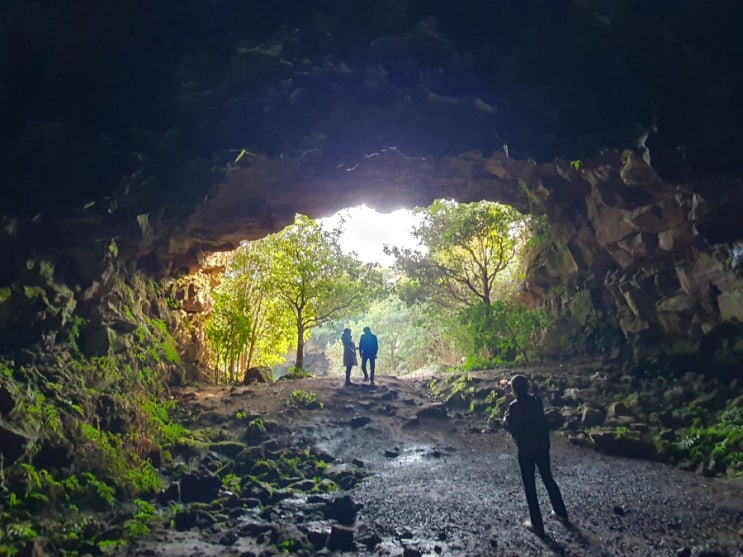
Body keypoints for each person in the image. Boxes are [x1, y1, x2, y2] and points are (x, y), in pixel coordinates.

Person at [503, 374, 568, 535]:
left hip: (526, 449)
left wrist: (505, 417)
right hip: (542, 446)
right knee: (547, 477)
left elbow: (509, 426)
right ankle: (560, 511)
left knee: (530, 486)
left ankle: (536, 523)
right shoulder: (536, 401)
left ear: (514, 390)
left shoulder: (514, 406)